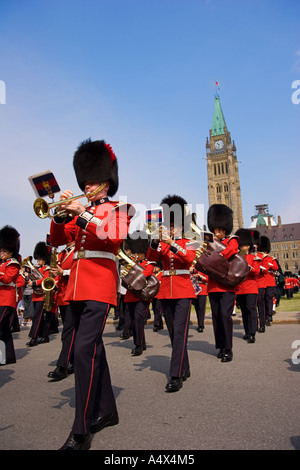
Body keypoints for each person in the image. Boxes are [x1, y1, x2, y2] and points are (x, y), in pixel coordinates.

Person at [50, 139, 134, 450]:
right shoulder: (79, 211)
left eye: (94, 180)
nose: (89, 185)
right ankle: (107, 410)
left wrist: (84, 212)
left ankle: (82, 429)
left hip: (100, 284)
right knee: (92, 347)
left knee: (83, 350)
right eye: (85, 180)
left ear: (107, 181)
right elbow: (58, 239)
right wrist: (60, 213)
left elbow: (112, 238)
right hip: (76, 287)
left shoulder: (119, 208)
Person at [147, 194, 196, 393]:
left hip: (184, 289)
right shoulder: (163, 243)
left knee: (180, 331)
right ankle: (184, 366)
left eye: (174, 225)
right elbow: (152, 258)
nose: (171, 228)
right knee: (173, 333)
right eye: (169, 224)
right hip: (166, 289)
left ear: (182, 226)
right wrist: (154, 240)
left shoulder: (189, 241)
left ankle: (175, 374)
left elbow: (188, 260)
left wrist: (172, 243)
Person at [206, 204, 239, 362]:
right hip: (213, 286)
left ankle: (228, 348)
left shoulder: (232, 240)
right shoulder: (210, 242)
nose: (217, 232)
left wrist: (215, 256)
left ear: (225, 228)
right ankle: (220, 346)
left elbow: (230, 251)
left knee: (225, 316)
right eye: (215, 229)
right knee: (216, 317)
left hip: (226, 284)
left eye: (220, 229)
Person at [123, 231, 155, 356]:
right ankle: (142, 342)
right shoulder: (131, 264)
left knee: (138, 319)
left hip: (142, 297)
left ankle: (138, 345)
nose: (137, 255)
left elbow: (144, 275)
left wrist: (133, 269)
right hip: (130, 296)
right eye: (136, 253)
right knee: (133, 320)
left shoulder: (149, 264)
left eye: (139, 253)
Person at [47, 241, 76, 381]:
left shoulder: (78, 250)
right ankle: (74, 362)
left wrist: (63, 272)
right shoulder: (63, 253)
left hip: (73, 296)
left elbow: (80, 271)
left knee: (68, 332)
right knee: (70, 331)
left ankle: (62, 366)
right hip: (62, 296)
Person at [235, 229, 260, 343]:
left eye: (245, 245)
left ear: (249, 246)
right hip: (240, 288)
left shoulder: (253, 258)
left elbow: (257, 271)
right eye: (242, 245)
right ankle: (247, 331)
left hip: (250, 287)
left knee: (251, 309)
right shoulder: (236, 258)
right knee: (244, 311)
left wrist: (248, 267)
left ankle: (252, 333)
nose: (244, 247)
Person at [0, 225, 20, 365]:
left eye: (4, 251)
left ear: (11, 251)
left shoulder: (13, 264)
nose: (1, 253)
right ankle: (9, 356)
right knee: (5, 330)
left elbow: (7, 279)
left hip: (7, 300)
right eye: (0, 250)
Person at [26, 242, 52, 346]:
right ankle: (45, 336)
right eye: (37, 259)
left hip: (42, 296)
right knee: (39, 317)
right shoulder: (36, 269)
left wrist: (34, 282)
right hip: (35, 295)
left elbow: (46, 279)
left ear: (45, 259)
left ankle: (34, 337)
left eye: (40, 259)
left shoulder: (46, 269)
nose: (38, 261)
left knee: (37, 316)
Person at [257, 236, 278, 326]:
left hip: (269, 281)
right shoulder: (259, 257)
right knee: (262, 299)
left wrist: (270, 265)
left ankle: (269, 314)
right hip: (262, 281)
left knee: (269, 297)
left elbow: (276, 268)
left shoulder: (271, 259)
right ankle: (264, 315)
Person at [190, 267, 208, 333]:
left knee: (201, 308)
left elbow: (207, 279)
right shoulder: (191, 268)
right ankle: (200, 323)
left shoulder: (203, 269)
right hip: (193, 289)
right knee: (196, 308)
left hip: (202, 289)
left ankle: (200, 325)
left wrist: (200, 277)